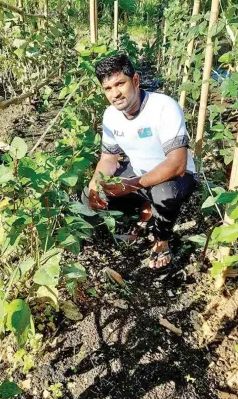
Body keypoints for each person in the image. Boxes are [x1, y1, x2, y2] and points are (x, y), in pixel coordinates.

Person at [82, 54, 197, 270]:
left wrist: (130, 185)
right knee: (92, 194)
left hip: (176, 177)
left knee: (165, 194)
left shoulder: (164, 107)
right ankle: (144, 208)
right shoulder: (111, 116)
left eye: (120, 84)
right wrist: (95, 183)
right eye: (108, 88)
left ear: (135, 80)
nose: (115, 93)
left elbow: (177, 164)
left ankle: (162, 240)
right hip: (139, 174)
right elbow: (108, 159)